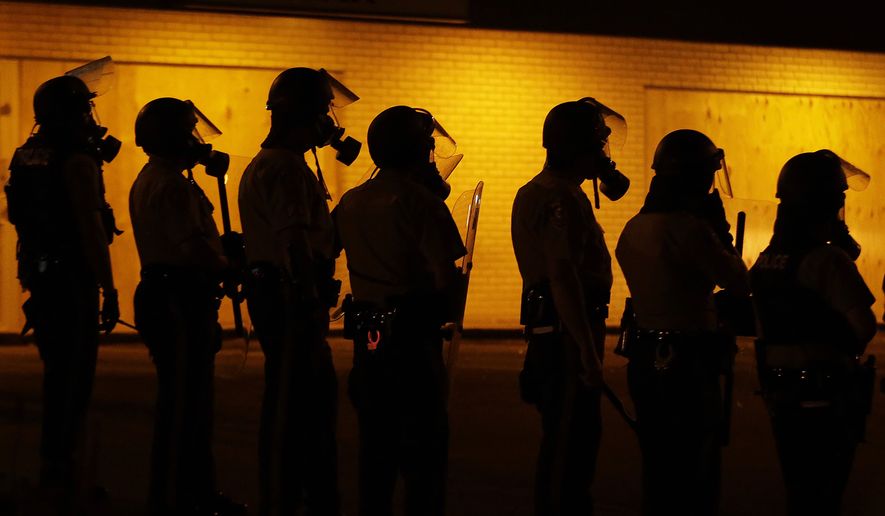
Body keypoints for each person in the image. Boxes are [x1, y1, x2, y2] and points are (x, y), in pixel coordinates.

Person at [238, 67, 360, 516]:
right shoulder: (285, 167)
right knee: (299, 401)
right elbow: (293, 239)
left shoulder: (275, 163)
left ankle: (293, 491)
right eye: (324, 113)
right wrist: (311, 293)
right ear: (307, 115)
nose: (330, 124)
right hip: (289, 299)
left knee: (298, 398)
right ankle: (293, 495)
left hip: (280, 294)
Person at [334, 105, 466, 516]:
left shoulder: (352, 201)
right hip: (412, 342)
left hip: (368, 341)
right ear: (417, 149)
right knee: (424, 455)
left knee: (376, 450)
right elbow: (446, 279)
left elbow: (323, 252)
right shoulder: (422, 204)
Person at [615, 129, 748, 516]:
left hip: (645, 358)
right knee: (696, 470)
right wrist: (720, 232)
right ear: (696, 178)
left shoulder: (634, 228)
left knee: (657, 466)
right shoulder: (691, 230)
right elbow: (737, 279)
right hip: (689, 363)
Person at [511, 98, 630, 516]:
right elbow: (562, 275)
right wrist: (586, 350)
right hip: (565, 335)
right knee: (569, 444)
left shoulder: (550, 192)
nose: (605, 154)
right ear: (583, 147)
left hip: (561, 330)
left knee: (576, 439)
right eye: (600, 143)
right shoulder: (558, 197)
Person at [4, 74, 120, 502]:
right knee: (75, 378)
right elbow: (91, 227)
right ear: (73, 113)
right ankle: (65, 475)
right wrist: (109, 287)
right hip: (73, 279)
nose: (91, 116)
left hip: (40, 276)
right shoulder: (77, 161)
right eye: (85, 108)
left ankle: (55, 469)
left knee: (57, 376)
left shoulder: (27, 155)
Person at [130, 97, 246, 516]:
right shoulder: (172, 185)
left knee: (186, 400)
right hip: (178, 298)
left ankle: (188, 491)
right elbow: (191, 249)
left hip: (171, 294)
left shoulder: (157, 177)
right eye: (188, 132)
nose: (196, 141)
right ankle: (184, 496)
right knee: (187, 405)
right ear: (173, 136)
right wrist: (228, 263)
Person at [750, 150, 877, 516]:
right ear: (825, 202)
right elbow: (863, 326)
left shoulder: (767, 258)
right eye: (839, 199)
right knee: (825, 493)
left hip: (781, 390)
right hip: (825, 391)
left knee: (799, 489)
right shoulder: (826, 259)